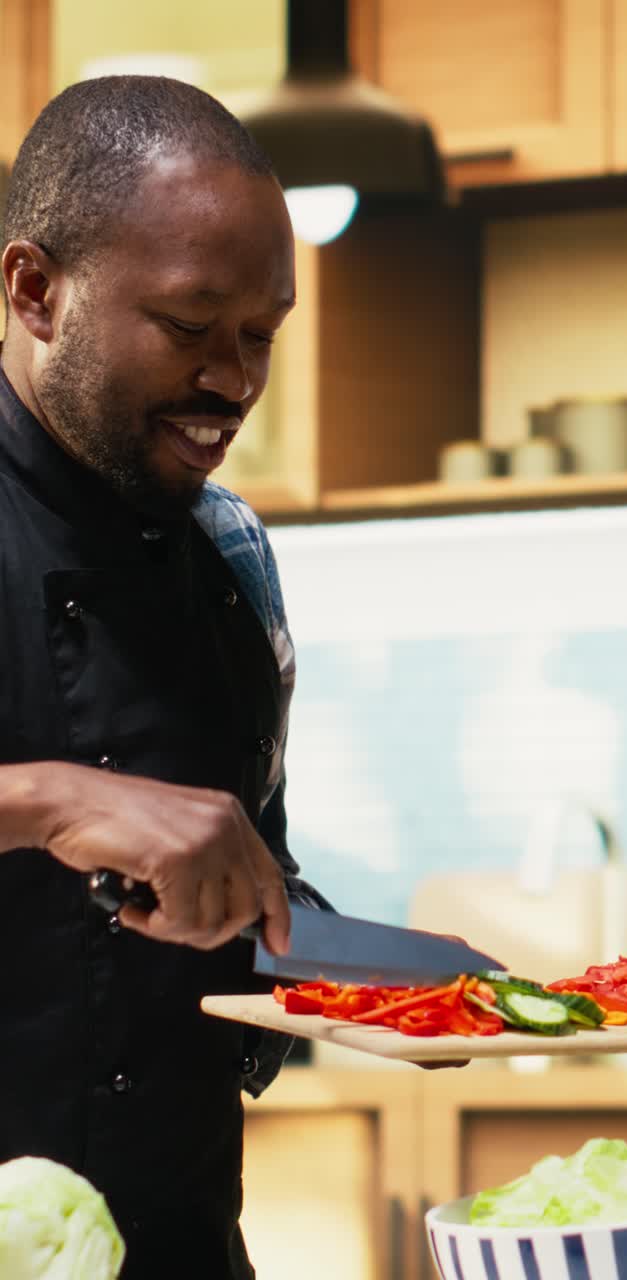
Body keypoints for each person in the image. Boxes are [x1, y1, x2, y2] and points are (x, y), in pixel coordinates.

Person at [0, 75, 333, 1280]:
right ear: (36, 289)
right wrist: (49, 799)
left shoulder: (231, 551)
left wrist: (380, 989)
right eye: (192, 327)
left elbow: (251, 871)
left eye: (262, 335)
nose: (236, 380)